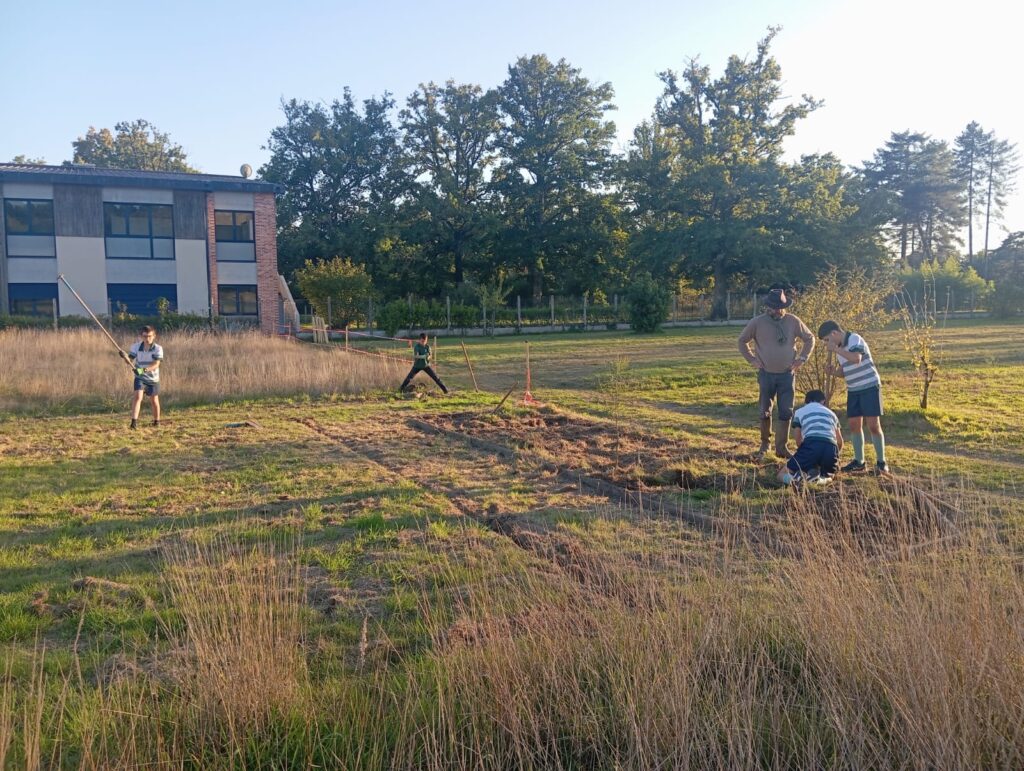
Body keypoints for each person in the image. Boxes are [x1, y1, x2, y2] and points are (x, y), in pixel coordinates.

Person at [737, 288, 815, 458]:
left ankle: (782, 447)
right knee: (764, 410)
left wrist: (802, 359)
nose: (777, 310)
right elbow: (742, 341)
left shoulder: (793, 321)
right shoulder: (757, 322)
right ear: (768, 307)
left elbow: (810, 339)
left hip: (787, 374)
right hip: (766, 374)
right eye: (773, 307)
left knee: (786, 411)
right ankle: (765, 445)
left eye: (780, 307)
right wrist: (752, 360)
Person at [818, 320, 889, 474]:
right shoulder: (839, 349)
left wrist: (836, 350)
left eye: (826, 340)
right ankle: (859, 461)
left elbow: (856, 358)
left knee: (873, 425)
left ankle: (882, 463)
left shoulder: (854, 339)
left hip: (869, 386)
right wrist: (833, 372)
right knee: (853, 425)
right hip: (853, 389)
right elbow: (844, 372)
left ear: (834, 334)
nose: (826, 344)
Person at [778, 389, 843, 485]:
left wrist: (805, 453)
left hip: (811, 444)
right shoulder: (832, 414)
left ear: (806, 401)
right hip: (831, 447)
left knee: (781, 474)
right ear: (823, 401)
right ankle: (819, 481)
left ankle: (794, 480)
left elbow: (798, 440)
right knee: (829, 476)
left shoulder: (800, 412)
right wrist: (835, 456)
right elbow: (840, 442)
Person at [119, 325, 163, 429]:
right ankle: (134, 423)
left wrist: (143, 370)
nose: (147, 339)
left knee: (154, 400)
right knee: (138, 397)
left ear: (154, 336)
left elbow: (156, 364)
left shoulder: (158, 348)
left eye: (149, 336)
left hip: (153, 379)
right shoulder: (135, 347)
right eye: (144, 336)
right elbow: (129, 361)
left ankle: (157, 421)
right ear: (141, 336)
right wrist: (124, 356)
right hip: (140, 377)